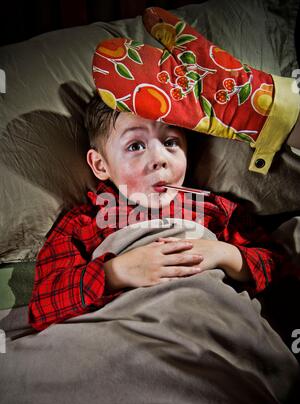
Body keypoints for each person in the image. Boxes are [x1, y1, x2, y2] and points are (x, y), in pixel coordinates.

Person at [28, 94, 285, 332]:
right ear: (100, 164)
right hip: (128, 331)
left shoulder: (214, 208)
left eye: (170, 142)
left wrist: (224, 253)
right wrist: (116, 272)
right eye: (135, 146)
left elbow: (277, 266)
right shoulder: (82, 222)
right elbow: (42, 307)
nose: (159, 158)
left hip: (211, 323)